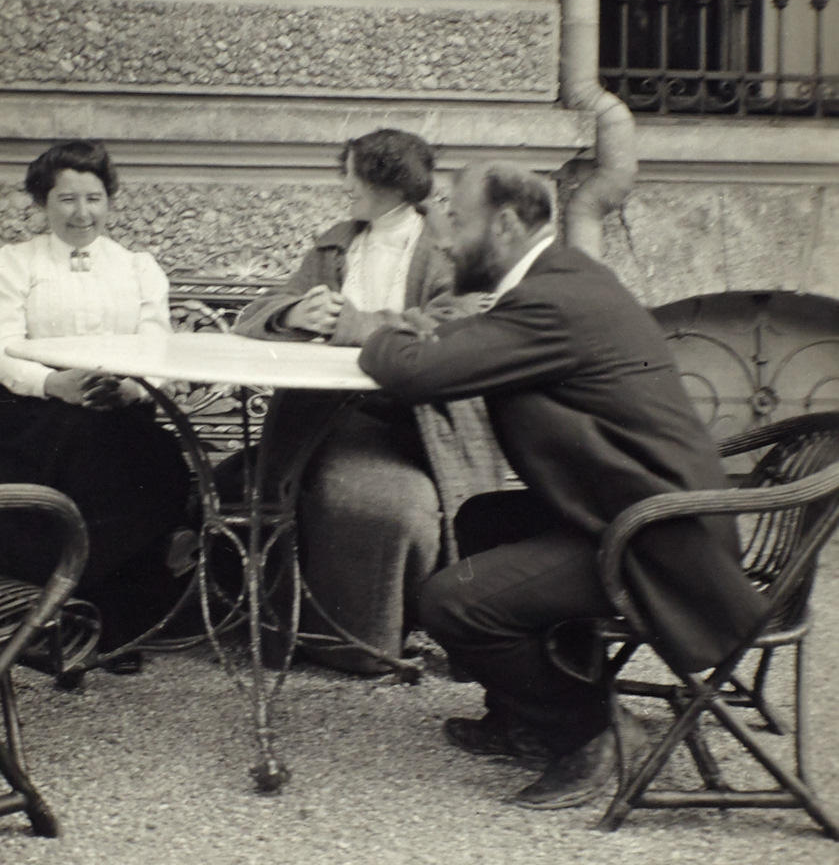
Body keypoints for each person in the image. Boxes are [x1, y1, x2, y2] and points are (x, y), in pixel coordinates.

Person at [359, 161, 768, 807]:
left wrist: (371, 331)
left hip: (654, 538)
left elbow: (416, 376)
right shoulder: (561, 282)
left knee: (450, 602)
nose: (441, 238)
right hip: (638, 510)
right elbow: (473, 342)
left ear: (504, 224)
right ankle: (519, 716)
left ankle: (589, 732)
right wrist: (423, 331)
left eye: (456, 222)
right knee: (483, 519)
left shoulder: (553, 299)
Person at [232, 128, 508, 673]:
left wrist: (354, 323)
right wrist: (292, 315)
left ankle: (359, 643)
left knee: (379, 505)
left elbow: (456, 321)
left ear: (390, 182)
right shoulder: (338, 242)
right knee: (237, 488)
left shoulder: (446, 244)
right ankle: (296, 627)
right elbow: (256, 312)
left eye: (354, 174)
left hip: (416, 424)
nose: (346, 185)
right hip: (325, 416)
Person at [0, 139, 192, 671]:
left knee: (149, 469)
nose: (82, 213)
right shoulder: (15, 263)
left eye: (93, 198)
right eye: (67, 199)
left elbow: (157, 348)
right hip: (31, 418)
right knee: (66, 465)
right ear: (43, 203)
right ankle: (42, 615)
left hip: (115, 417)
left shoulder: (138, 268)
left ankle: (111, 625)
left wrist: (133, 388)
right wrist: (55, 384)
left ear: (109, 201)